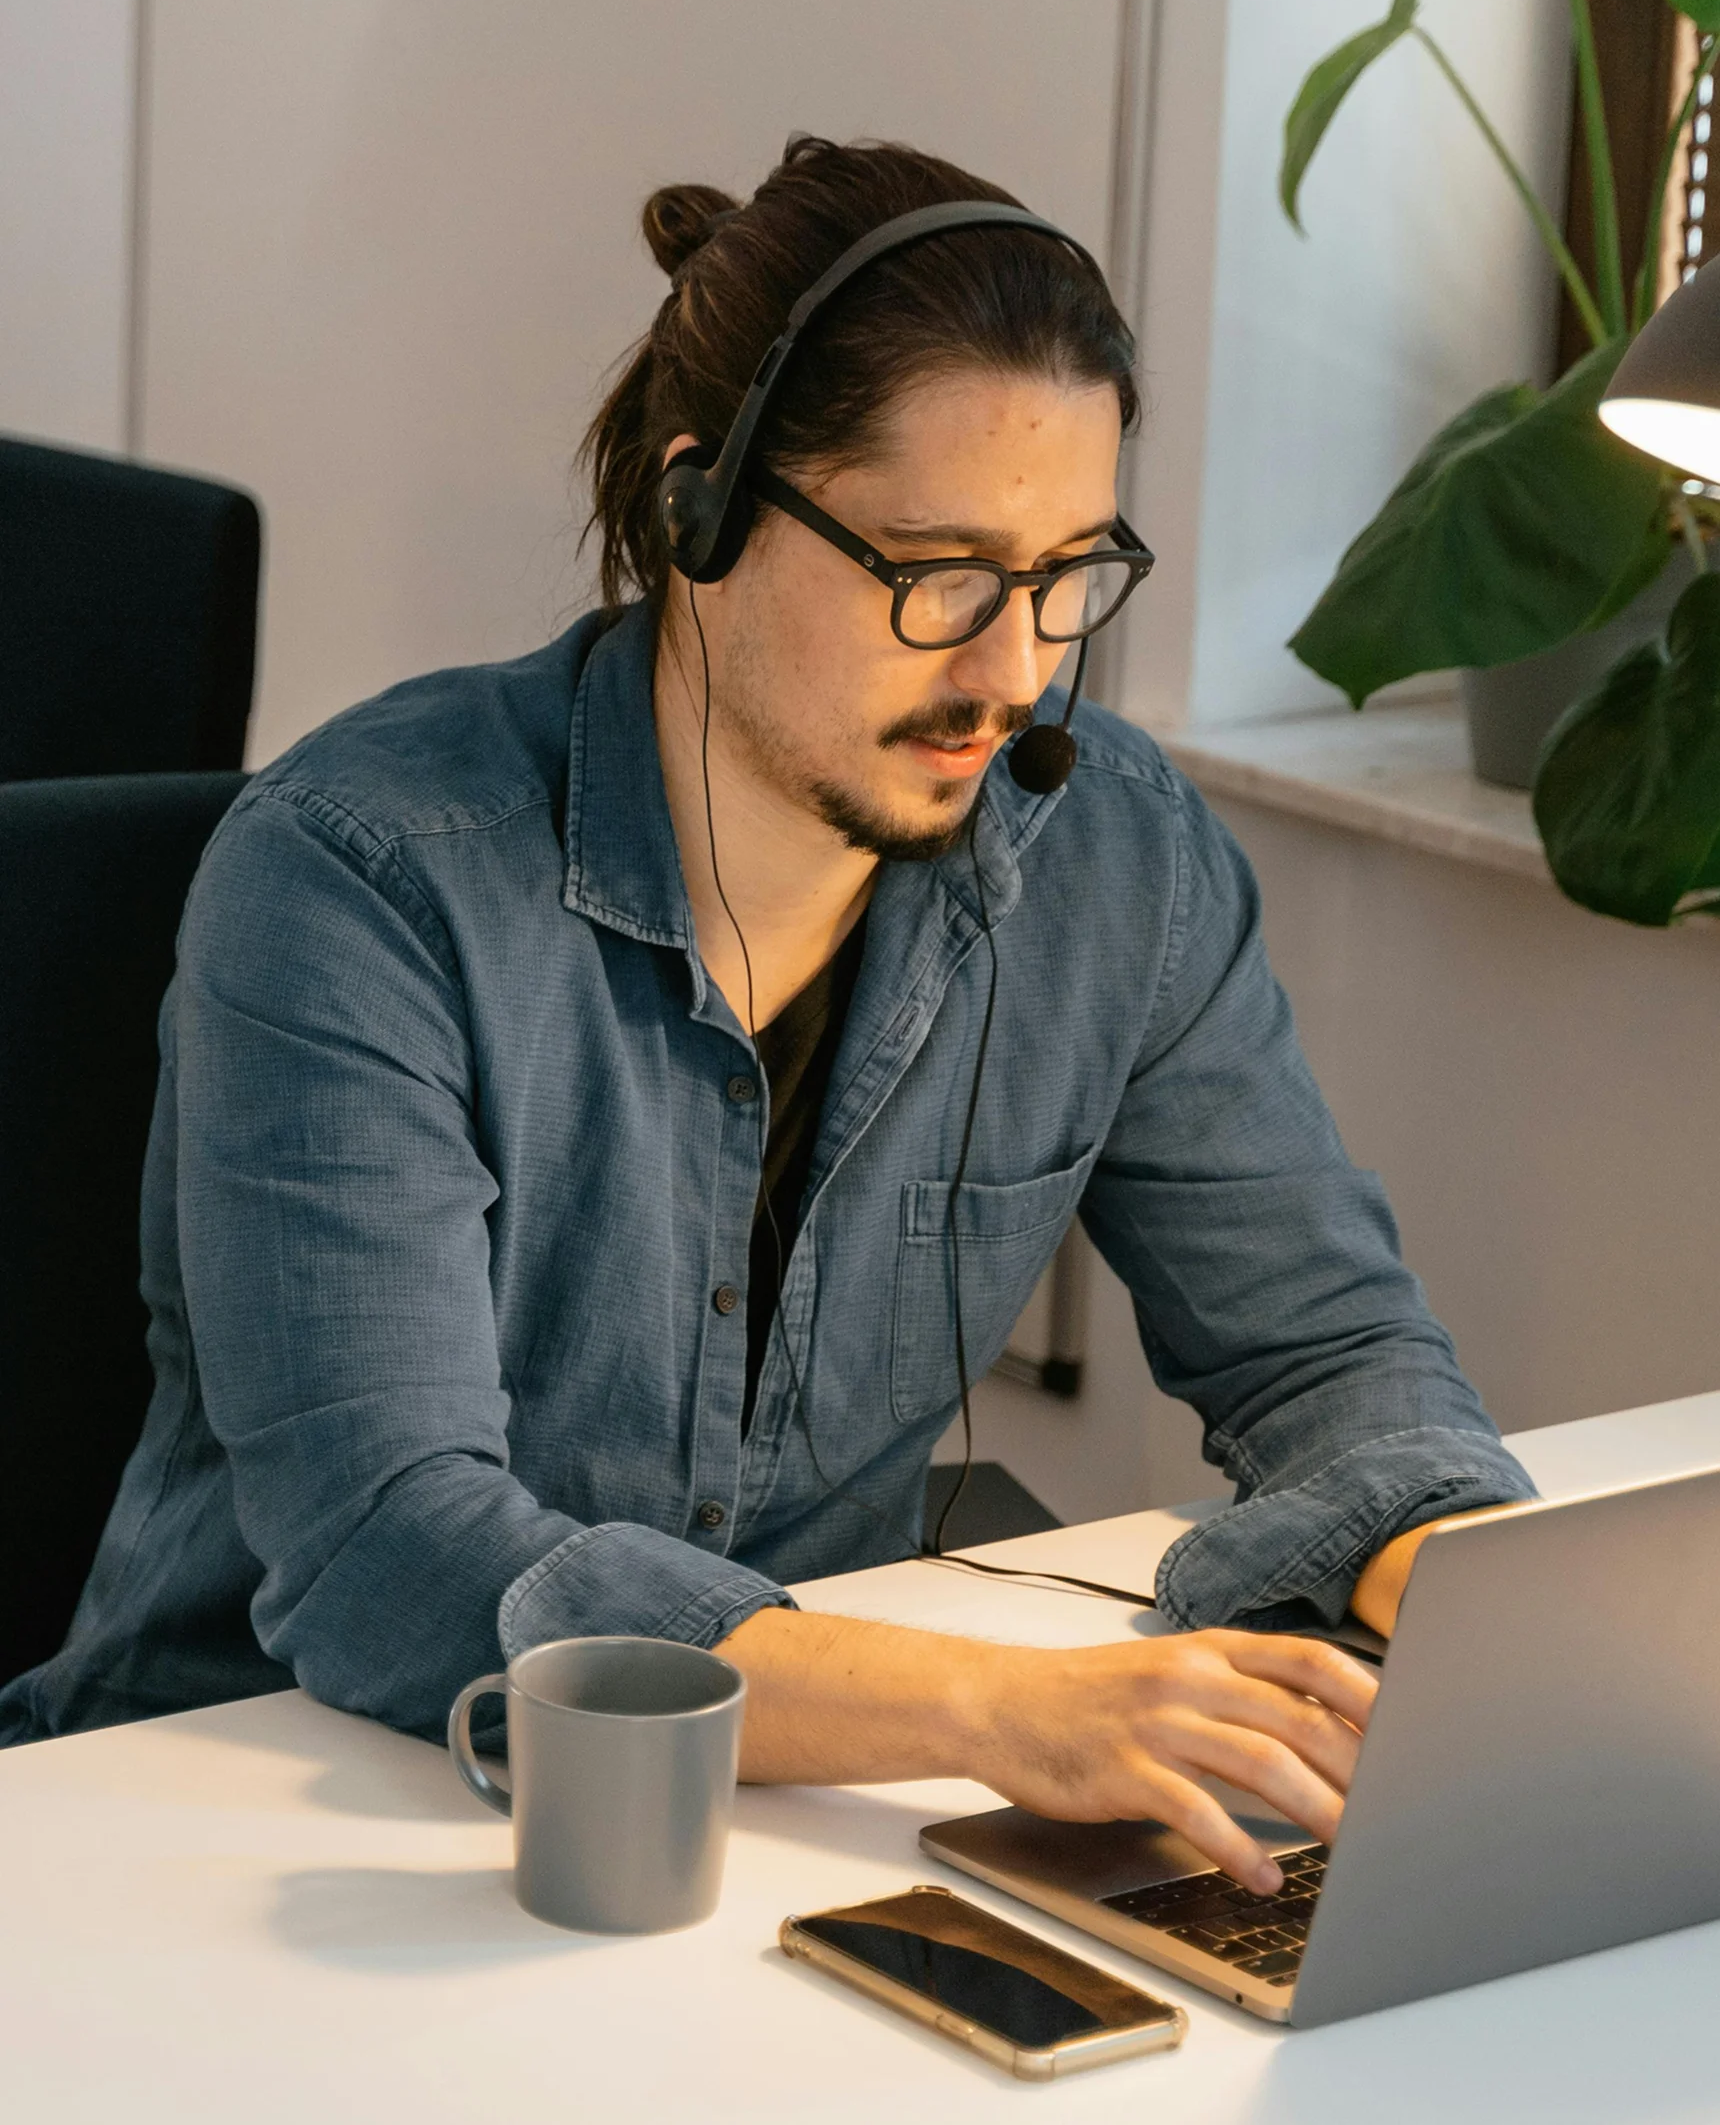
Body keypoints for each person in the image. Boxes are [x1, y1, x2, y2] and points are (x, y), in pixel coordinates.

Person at [0, 137, 1535, 1894]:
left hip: (786, 1822)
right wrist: (999, 1714)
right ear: (698, 511)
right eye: (940, 574)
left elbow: (1329, 1352)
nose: (1015, 671)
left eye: (1066, 576)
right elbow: (394, 1545)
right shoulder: (364, 882)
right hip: (258, 1818)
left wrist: (1484, 1600)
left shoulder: (1114, 855)